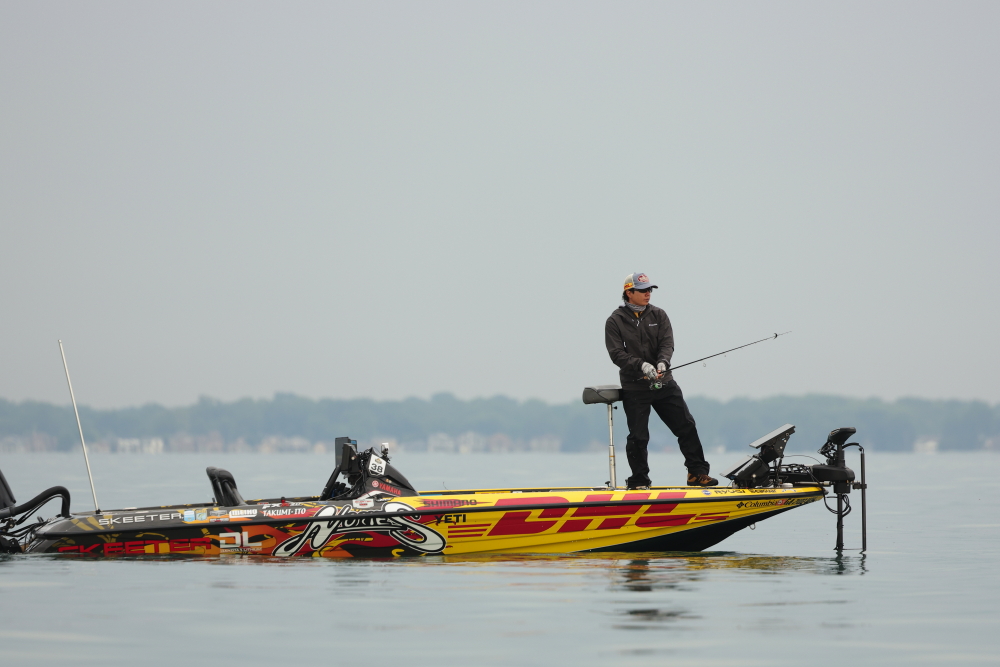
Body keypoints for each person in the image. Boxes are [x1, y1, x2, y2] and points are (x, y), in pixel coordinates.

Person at [604, 272, 718, 489]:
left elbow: (667, 343)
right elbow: (616, 354)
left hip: (664, 383)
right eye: (642, 290)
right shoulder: (615, 321)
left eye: (649, 289)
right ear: (629, 293)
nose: (648, 294)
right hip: (635, 387)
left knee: (686, 426)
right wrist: (642, 365)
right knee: (638, 437)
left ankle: (696, 473)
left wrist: (663, 362)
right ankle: (639, 481)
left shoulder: (659, 315)